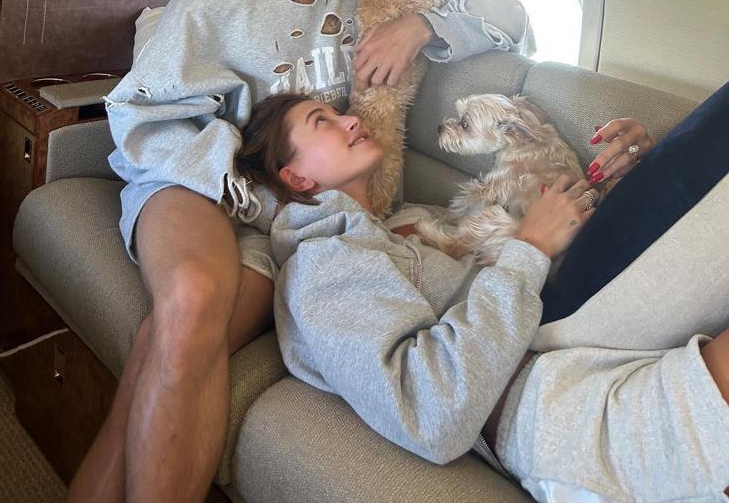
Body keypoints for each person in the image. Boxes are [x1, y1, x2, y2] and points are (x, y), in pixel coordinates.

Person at [67, 0, 533, 503]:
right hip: (194, 178)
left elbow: (515, 19)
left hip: (293, 211)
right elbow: (142, 110)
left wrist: (423, 23)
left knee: (161, 346)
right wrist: (237, 181)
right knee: (191, 299)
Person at [235, 86, 729, 502]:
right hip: (548, 399)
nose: (350, 119)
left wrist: (614, 183)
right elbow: (433, 411)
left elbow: (534, 250)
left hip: (566, 332)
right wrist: (529, 247)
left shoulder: (409, 225)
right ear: (295, 176)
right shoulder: (321, 261)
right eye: (322, 121)